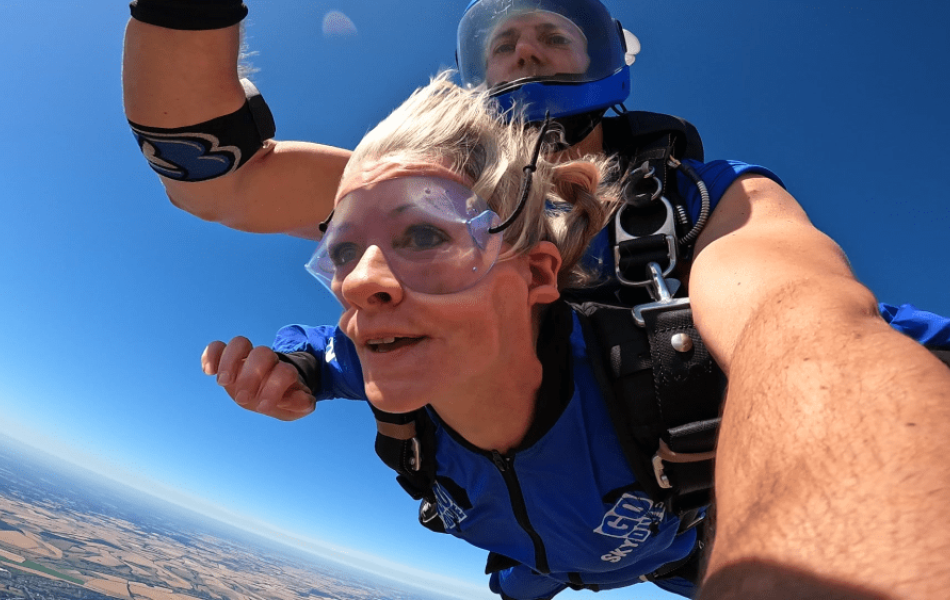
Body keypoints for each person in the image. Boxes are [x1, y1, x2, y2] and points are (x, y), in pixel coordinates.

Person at [124, 2, 950, 599]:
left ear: (608, 67)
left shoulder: (702, 203)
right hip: (526, 553)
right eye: (502, 40)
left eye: (554, 34)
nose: (523, 49)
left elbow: (801, 324)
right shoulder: (411, 191)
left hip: (666, 544)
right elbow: (213, 174)